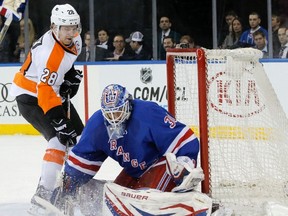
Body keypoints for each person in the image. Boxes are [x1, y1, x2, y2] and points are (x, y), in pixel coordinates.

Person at [55, 84, 202, 210]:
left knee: (143, 203)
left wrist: (185, 165)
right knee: (115, 200)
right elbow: (82, 160)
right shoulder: (97, 125)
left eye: (118, 111)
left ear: (128, 104)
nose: (114, 118)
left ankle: (176, 203)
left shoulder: (148, 113)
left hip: (159, 165)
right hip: (134, 172)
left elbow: (186, 140)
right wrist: (69, 185)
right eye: (109, 113)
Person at [9, 3, 84, 214]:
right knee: (58, 140)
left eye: (74, 27)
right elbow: (45, 91)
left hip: (50, 92)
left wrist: (69, 76)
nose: (71, 33)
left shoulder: (75, 39)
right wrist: (59, 121)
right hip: (30, 97)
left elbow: (64, 68)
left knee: (80, 137)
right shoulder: (48, 53)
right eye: (65, 28)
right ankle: (42, 197)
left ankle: (69, 191)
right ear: (54, 27)